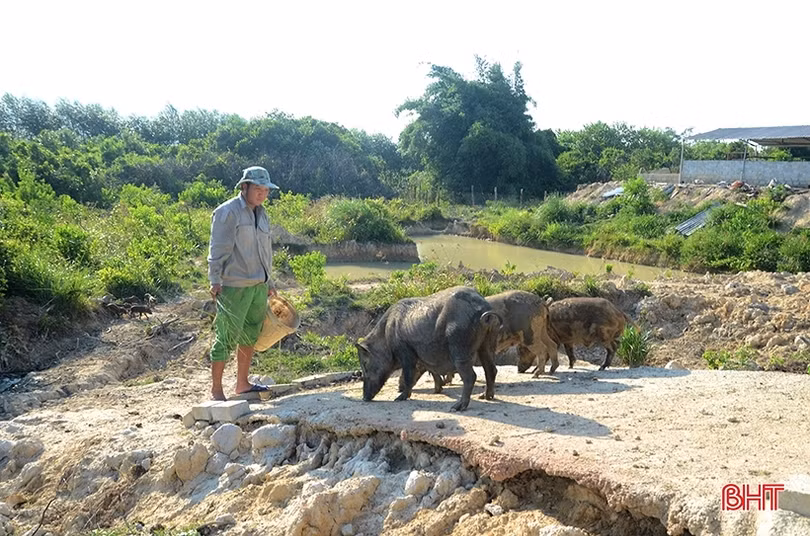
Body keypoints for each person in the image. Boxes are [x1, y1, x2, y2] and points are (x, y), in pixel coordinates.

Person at [207, 166, 279, 401]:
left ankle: (242, 384)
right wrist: (215, 279)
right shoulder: (228, 212)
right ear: (244, 187)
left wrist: (269, 281)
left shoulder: (263, 213)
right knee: (226, 336)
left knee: (250, 334)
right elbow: (218, 248)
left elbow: (265, 251)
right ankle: (217, 390)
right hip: (234, 286)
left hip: (259, 285)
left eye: (265, 190)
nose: (262, 194)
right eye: (257, 188)